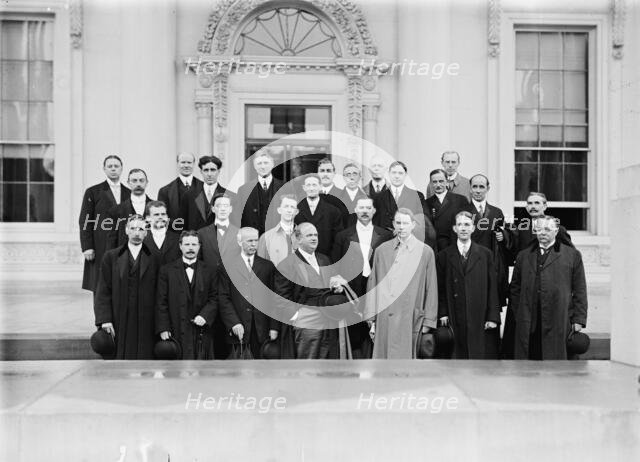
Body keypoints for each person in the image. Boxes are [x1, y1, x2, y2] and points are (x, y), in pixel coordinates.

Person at [502, 191, 573, 359]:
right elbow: (513, 254)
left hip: (549, 287)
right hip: (525, 286)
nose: (533, 207)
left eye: (537, 203)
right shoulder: (521, 227)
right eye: (530, 203)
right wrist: (504, 237)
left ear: (545, 206)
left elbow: (570, 257)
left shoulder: (556, 228)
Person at [509, 215, 588, 360]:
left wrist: (579, 319)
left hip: (559, 318)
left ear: (556, 231)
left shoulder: (572, 255)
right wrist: (518, 312)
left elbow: (580, 289)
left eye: (547, 229)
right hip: (529, 320)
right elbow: (515, 288)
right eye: (539, 229)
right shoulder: (523, 256)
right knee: (529, 361)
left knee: (555, 361)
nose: (543, 233)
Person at [365, 208, 438, 359]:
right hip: (385, 315)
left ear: (413, 225)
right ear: (393, 224)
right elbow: (373, 284)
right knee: (383, 364)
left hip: (410, 315)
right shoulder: (382, 250)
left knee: (406, 366)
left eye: (405, 223)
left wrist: (429, 320)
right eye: (398, 223)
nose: (402, 227)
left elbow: (431, 288)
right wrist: (371, 317)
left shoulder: (425, 252)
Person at [274, 222, 347, 359]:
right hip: (306, 320)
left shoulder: (324, 259)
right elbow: (281, 297)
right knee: (308, 362)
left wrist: (338, 288)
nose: (314, 238)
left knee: (328, 361)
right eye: (309, 235)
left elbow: (332, 284)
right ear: (298, 239)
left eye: (315, 235)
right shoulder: (287, 264)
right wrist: (296, 317)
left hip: (329, 319)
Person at [332, 197, 393, 357]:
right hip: (352, 289)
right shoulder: (342, 236)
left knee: (376, 329)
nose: (365, 211)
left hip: (377, 287)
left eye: (368, 208)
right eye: (361, 208)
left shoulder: (386, 235)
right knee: (356, 331)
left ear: (373, 211)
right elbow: (335, 265)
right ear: (356, 211)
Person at [94, 215, 160, 359]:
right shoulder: (111, 257)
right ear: (126, 230)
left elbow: (160, 294)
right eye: (133, 228)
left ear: (146, 233)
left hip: (145, 318)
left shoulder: (155, 258)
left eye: (141, 229)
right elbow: (103, 290)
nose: (137, 233)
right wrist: (105, 319)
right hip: (119, 317)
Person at [436, 211, 500, 359]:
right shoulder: (444, 255)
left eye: (467, 224)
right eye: (460, 225)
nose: (463, 228)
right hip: (454, 311)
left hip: (478, 311)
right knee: (457, 352)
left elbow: (492, 288)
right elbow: (440, 288)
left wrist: (492, 316)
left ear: (473, 228)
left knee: (477, 350)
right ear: (454, 229)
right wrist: (443, 312)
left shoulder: (485, 254)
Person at [155, 231, 218, 359]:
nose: (190, 248)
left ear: (199, 246)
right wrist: (163, 327)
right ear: (180, 246)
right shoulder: (167, 270)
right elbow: (161, 301)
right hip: (175, 328)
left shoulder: (210, 270)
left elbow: (215, 297)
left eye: (194, 244)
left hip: (201, 331)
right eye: (187, 244)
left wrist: (205, 315)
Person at [218, 227, 279, 358]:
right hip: (238, 327)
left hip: (261, 328)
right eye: (249, 241)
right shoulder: (227, 265)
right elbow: (223, 297)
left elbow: (273, 298)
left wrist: (274, 327)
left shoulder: (267, 266)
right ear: (240, 242)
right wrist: (233, 322)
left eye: (256, 241)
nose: (253, 244)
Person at [79, 155, 131, 291]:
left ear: (121, 169)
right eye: (110, 166)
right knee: (100, 286)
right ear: (104, 169)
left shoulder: (129, 193)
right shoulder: (93, 192)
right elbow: (85, 220)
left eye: (116, 166)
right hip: (100, 244)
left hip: (123, 243)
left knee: (121, 285)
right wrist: (87, 247)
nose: (113, 169)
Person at [462, 174, 510, 307]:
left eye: (481, 187)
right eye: (474, 187)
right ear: (470, 189)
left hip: (491, 265)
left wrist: (503, 236)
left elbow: (504, 238)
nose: (478, 190)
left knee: (490, 304)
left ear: (487, 188)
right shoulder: (462, 211)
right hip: (469, 263)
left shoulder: (496, 212)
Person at [372, 161, 435, 248]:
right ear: (388, 174)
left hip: (410, 242)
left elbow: (424, 220)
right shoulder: (378, 198)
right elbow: (375, 223)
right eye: (394, 173)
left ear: (405, 175)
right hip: (386, 243)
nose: (397, 176)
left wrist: (405, 229)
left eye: (400, 173)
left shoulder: (417, 196)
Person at [294, 175, 344, 259]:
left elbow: (338, 240)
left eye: (314, 185)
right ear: (304, 188)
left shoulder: (333, 211)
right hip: (301, 259)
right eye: (308, 185)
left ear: (320, 187)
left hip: (326, 259)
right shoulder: (296, 210)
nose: (311, 188)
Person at [234, 152, 285, 235]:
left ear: (272, 164)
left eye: (266, 163)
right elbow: (237, 217)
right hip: (253, 238)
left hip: (278, 236)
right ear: (255, 167)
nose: (263, 166)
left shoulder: (284, 187)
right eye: (259, 163)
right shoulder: (244, 190)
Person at [106, 168, 152, 250]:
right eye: (134, 181)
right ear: (128, 183)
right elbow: (111, 240)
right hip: (125, 257)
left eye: (141, 180)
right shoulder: (116, 211)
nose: (138, 184)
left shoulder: (156, 209)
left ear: (147, 183)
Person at [424, 168, 468, 252]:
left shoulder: (460, 200)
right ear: (430, 184)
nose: (438, 185)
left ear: (447, 182)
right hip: (435, 247)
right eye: (434, 182)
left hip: (455, 245)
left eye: (441, 181)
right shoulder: (426, 203)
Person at [157, 152, 203, 233]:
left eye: (189, 162)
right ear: (177, 164)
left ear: (194, 164)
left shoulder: (205, 188)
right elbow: (161, 217)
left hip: (200, 236)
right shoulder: (165, 191)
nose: (186, 165)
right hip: (175, 236)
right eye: (183, 162)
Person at [180, 155, 228, 231]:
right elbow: (183, 222)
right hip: (195, 240)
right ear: (201, 172)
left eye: (213, 170)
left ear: (218, 171)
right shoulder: (189, 195)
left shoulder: (228, 195)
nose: (209, 174)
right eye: (206, 170)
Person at [257, 194, 298, 266]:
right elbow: (260, 268)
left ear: (296, 212)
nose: (289, 210)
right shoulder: (266, 238)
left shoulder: (304, 237)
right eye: (286, 206)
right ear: (279, 210)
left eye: (292, 207)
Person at [143, 201, 180, 266]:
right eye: (156, 214)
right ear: (148, 218)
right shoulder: (141, 239)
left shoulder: (178, 239)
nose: (160, 217)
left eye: (163, 214)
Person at [337, 163, 369, 228]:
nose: (351, 177)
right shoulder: (337, 198)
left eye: (355, 174)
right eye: (348, 174)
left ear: (360, 177)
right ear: (344, 177)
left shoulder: (367, 198)